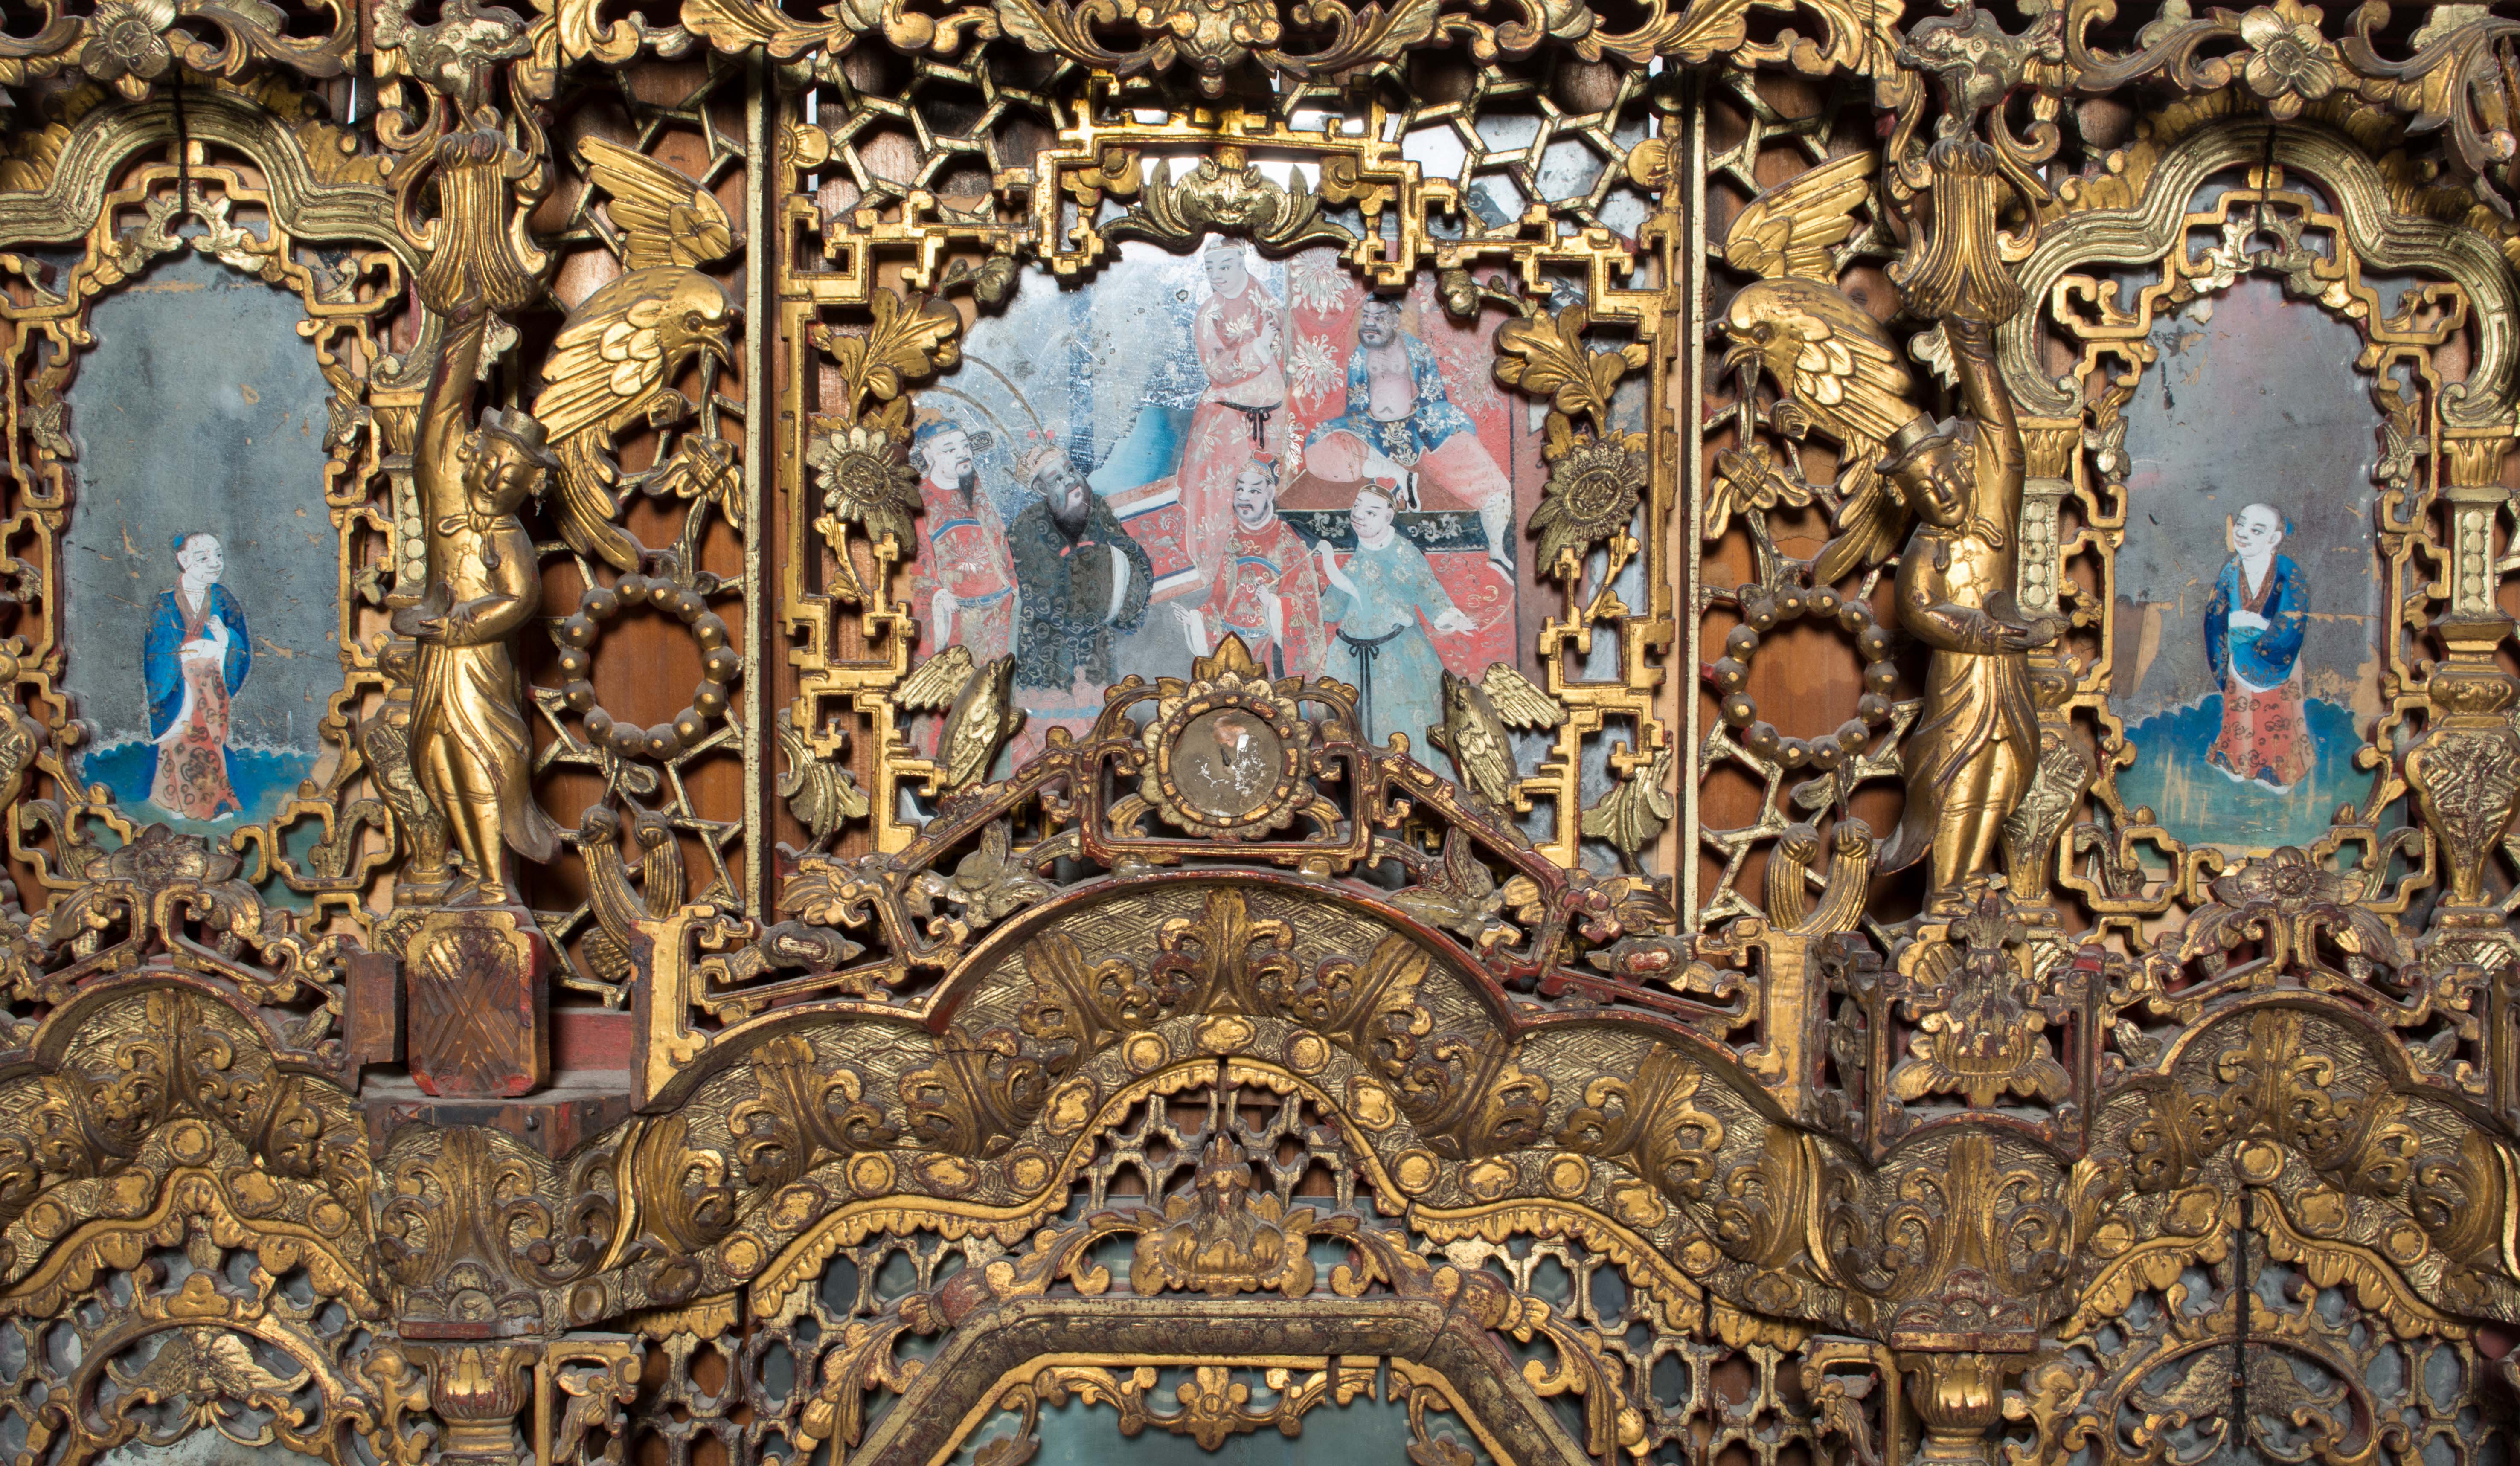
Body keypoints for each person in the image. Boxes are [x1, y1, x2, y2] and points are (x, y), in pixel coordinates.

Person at [404, 305, 567, 903]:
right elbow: (440, 417)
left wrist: (464, 624)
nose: (497, 479)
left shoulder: (508, 535)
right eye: (493, 463)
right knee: (433, 756)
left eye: (513, 478)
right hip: (437, 662)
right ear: (473, 455)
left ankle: (496, 881)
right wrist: (467, 326)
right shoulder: (446, 496)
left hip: (476, 665)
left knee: (482, 758)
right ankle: (475, 869)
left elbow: (522, 598)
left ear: (527, 491)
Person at [1306, 295, 1514, 569]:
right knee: (1319, 445)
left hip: (1417, 426)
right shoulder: (1360, 355)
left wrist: (1427, 424)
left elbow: (1433, 395)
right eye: (1366, 317)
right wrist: (1354, 434)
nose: (1370, 323)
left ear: (1395, 319)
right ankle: (1396, 473)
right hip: (1373, 430)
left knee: (1485, 475)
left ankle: (1497, 550)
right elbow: (1355, 405)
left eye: (1378, 318)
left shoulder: (1415, 350)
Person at [1319, 480, 1475, 751]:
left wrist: (1449, 616)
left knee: (1404, 728)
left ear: (1389, 517)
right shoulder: (1356, 561)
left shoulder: (1405, 553)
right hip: (1352, 658)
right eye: (1357, 507)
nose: (1359, 515)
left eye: (1371, 512)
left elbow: (1428, 590)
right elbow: (1332, 608)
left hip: (1400, 655)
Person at [1173, 237, 1290, 593]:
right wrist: (1258, 347)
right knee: (1224, 497)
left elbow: (1284, 356)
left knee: (1272, 490)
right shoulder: (1208, 313)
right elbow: (1218, 369)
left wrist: (1269, 354)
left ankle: (1271, 575)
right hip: (1226, 419)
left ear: (1242, 264)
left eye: (1225, 267)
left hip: (1271, 417)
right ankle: (1220, 579)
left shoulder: (1266, 302)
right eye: (1210, 268)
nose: (1217, 275)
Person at [1008, 441, 1154, 689]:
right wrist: (1086, 566)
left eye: (1071, 470)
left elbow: (1130, 553)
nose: (1070, 481)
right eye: (1057, 480)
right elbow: (1040, 593)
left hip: (1098, 645)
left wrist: (1110, 567)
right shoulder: (1025, 525)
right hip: (1049, 649)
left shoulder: (1097, 507)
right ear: (1042, 489)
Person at [1180, 457, 1325, 677]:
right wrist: (1197, 620)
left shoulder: (1287, 541)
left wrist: (1273, 604)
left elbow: (1304, 604)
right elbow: (1219, 598)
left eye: (1254, 491)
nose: (1244, 497)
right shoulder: (1233, 538)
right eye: (1240, 489)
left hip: (1271, 647)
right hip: (1232, 644)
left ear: (1270, 493)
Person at [2204, 502, 2313, 791]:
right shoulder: (2231, 571)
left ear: (2273, 539)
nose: (2243, 533)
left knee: (2276, 716)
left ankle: (2276, 771)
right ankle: (2237, 762)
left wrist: (2263, 653)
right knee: (2239, 714)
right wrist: (2226, 657)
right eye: (2241, 524)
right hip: (2237, 656)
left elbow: (2292, 618)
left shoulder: (2288, 571)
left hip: (2277, 656)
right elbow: (2215, 617)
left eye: (2256, 530)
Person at [144, 532, 249, 819]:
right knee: (181, 743)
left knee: (210, 740)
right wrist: (182, 655)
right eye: (204, 558)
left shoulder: (223, 599)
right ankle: (179, 802)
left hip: (214, 683)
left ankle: (208, 802)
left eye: (219, 556)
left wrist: (225, 638)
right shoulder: (166, 602)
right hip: (181, 686)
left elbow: (241, 642)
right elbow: (157, 650)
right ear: (183, 559)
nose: (215, 563)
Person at [909, 415, 1018, 664]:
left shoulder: (974, 487)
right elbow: (920, 560)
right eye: (950, 450)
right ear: (929, 457)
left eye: (966, 446)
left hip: (1000, 610)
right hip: (958, 614)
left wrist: (1014, 583)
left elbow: (999, 540)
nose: (963, 454)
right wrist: (938, 594)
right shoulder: (920, 498)